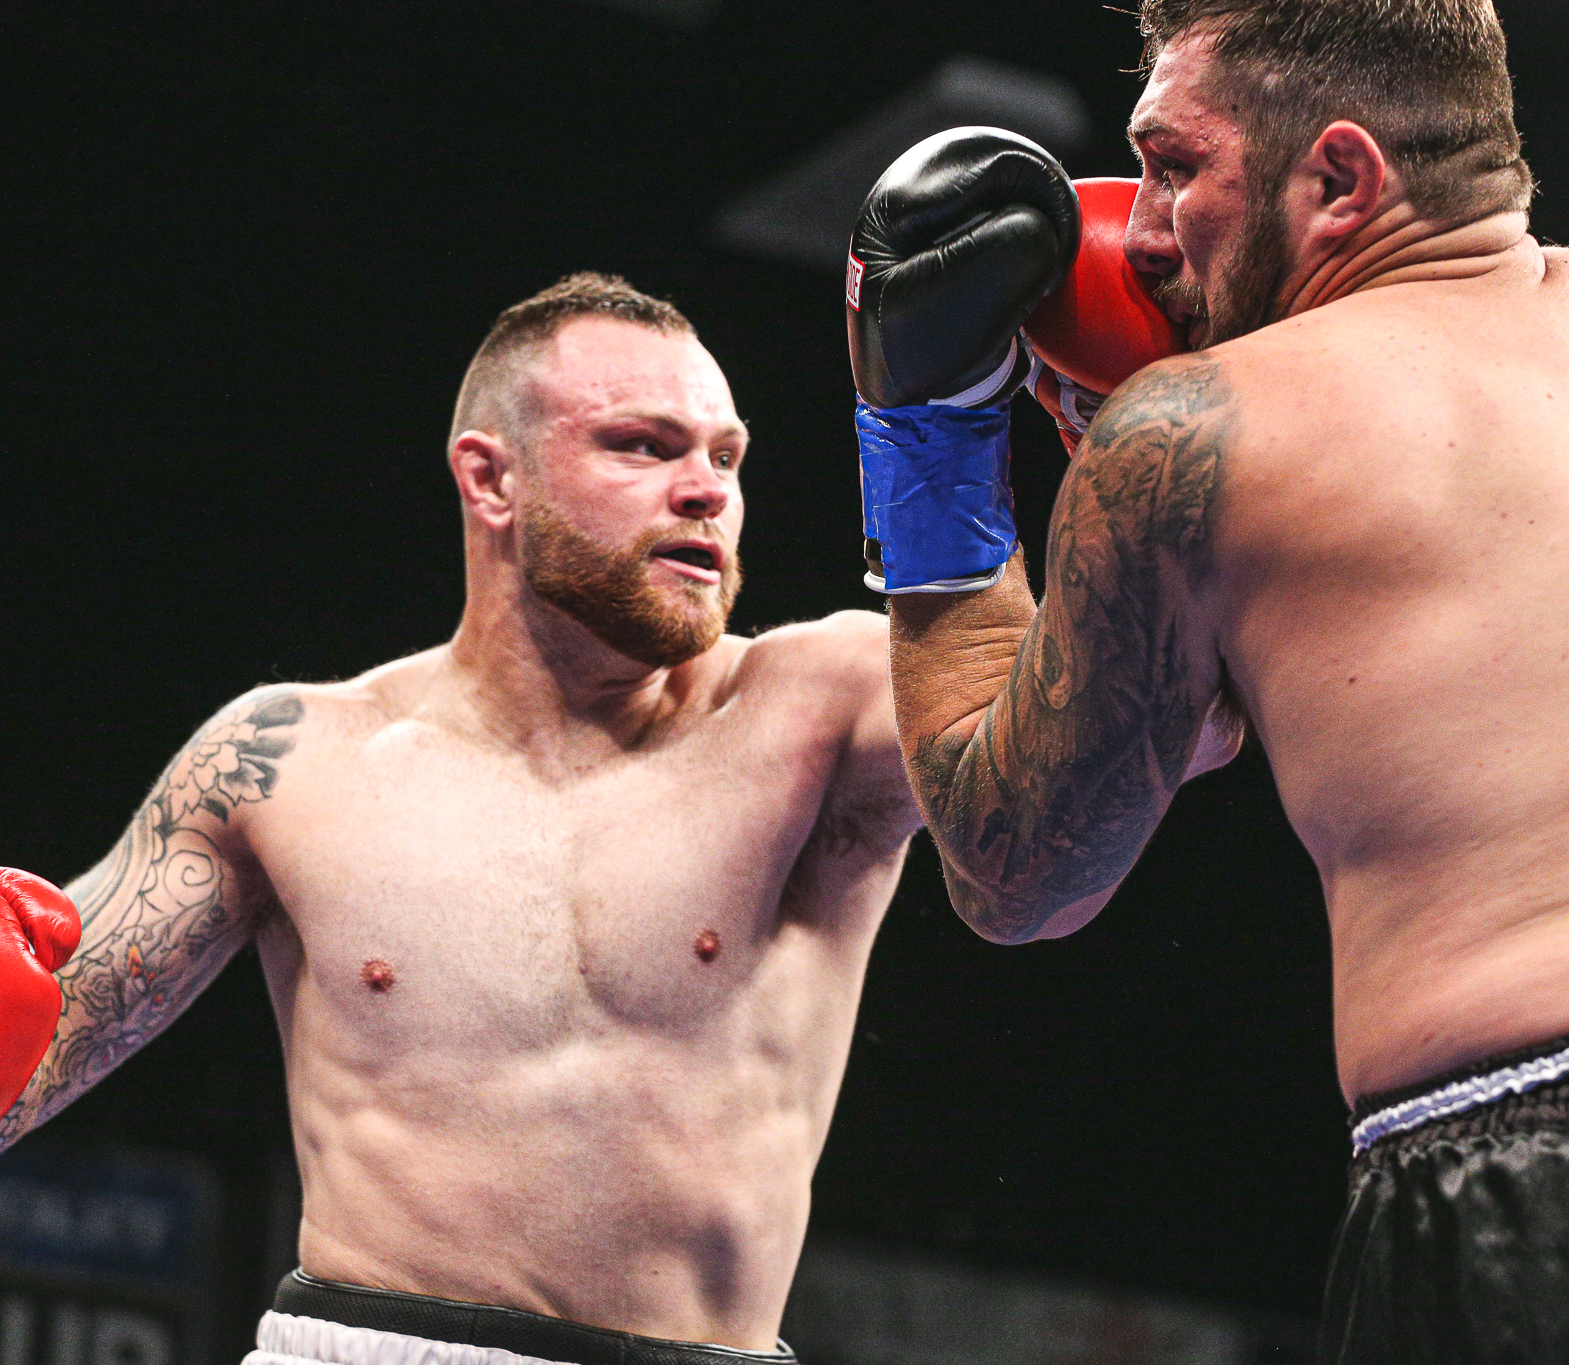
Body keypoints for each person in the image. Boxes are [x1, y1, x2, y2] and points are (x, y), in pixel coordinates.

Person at [843, 1, 1569, 1361]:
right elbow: (1230, 720)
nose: (1148, 232)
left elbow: (1022, 869)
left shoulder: (1193, 428)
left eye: (1176, 167)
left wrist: (924, 439)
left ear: (1341, 178)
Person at [1, 273, 921, 1365]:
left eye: (725, 457)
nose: (704, 491)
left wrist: (1112, 431)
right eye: (644, 446)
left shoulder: (825, 705)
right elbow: (36, 1046)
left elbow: (1140, 726)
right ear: (491, 480)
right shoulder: (286, 760)